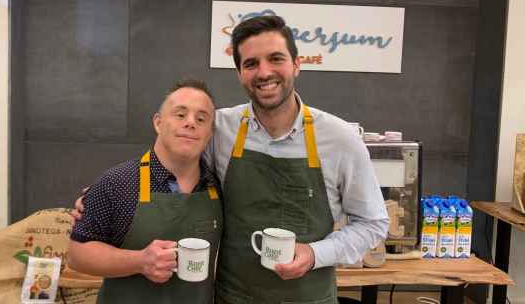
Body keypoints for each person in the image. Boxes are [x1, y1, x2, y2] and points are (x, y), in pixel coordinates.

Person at [72, 16, 389, 304]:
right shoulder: (220, 128)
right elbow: (171, 158)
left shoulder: (340, 140)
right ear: (240, 73)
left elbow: (373, 223)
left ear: (297, 64)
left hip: (308, 297)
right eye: (251, 63)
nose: (264, 72)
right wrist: (101, 198)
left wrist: (315, 253)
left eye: (275, 59)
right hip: (231, 298)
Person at [67, 79, 223, 304]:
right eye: (180, 115)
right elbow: (77, 255)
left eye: (201, 119)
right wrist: (140, 261)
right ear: (158, 123)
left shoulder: (217, 188)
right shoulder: (116, 183)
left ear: (210, 133)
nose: (191, 123)